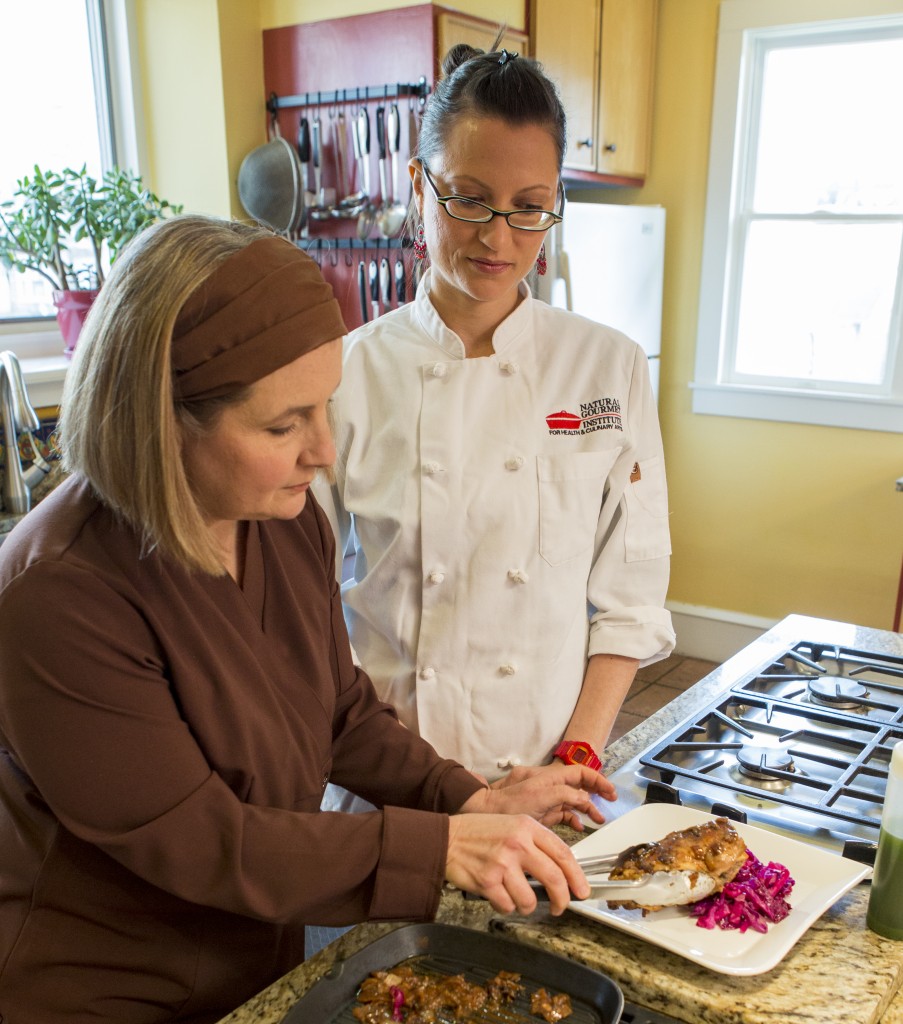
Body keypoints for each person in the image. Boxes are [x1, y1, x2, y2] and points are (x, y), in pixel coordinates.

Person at [0, 215, 616, 1024]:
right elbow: (202, 838)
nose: (323, 451)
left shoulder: (280, 519)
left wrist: (467, 802)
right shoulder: (56, 595)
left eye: (324, 407)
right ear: (162, 424)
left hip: (255, 956)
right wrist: (438, 849)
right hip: (103, 988)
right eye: (283, 425)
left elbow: (340, 712)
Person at [316, 44, 676, 790]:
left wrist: (574, 761)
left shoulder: (606, 368)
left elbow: (629, 597)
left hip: (546, 775)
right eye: (469, 199)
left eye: (529, 206)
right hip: (389, 781)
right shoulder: (344, 373)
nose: (499, 238)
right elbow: (298, 604)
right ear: (417, 184)